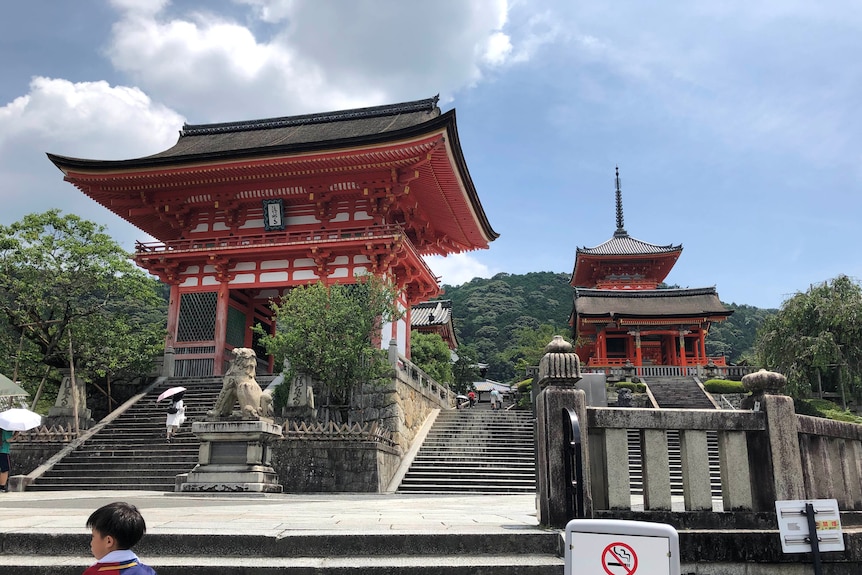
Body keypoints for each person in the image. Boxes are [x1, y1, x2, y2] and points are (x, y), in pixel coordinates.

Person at [84, 501, 156, 575]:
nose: (91, 543)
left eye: (93, 536)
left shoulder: (93, 573)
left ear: (109, 541)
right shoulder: (147, 571)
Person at [0, 427, 18, 493]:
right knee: (4, 470)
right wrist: (16, 434)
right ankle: (2, 487)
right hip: (3, 451)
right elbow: (8, 440)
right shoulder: (6, 429)